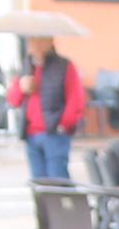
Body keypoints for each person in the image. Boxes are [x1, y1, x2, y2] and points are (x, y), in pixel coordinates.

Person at [13, 42, 89, 182]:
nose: (35, 46)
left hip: (54, 133)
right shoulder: (26, 67)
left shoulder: (63, 66)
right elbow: (13, 100)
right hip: (31, 134)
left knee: (58, 181)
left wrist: (64, 125)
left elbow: (75, 99)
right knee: (39, 183)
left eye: (39, 41)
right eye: (32, 41)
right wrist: (21, 87)